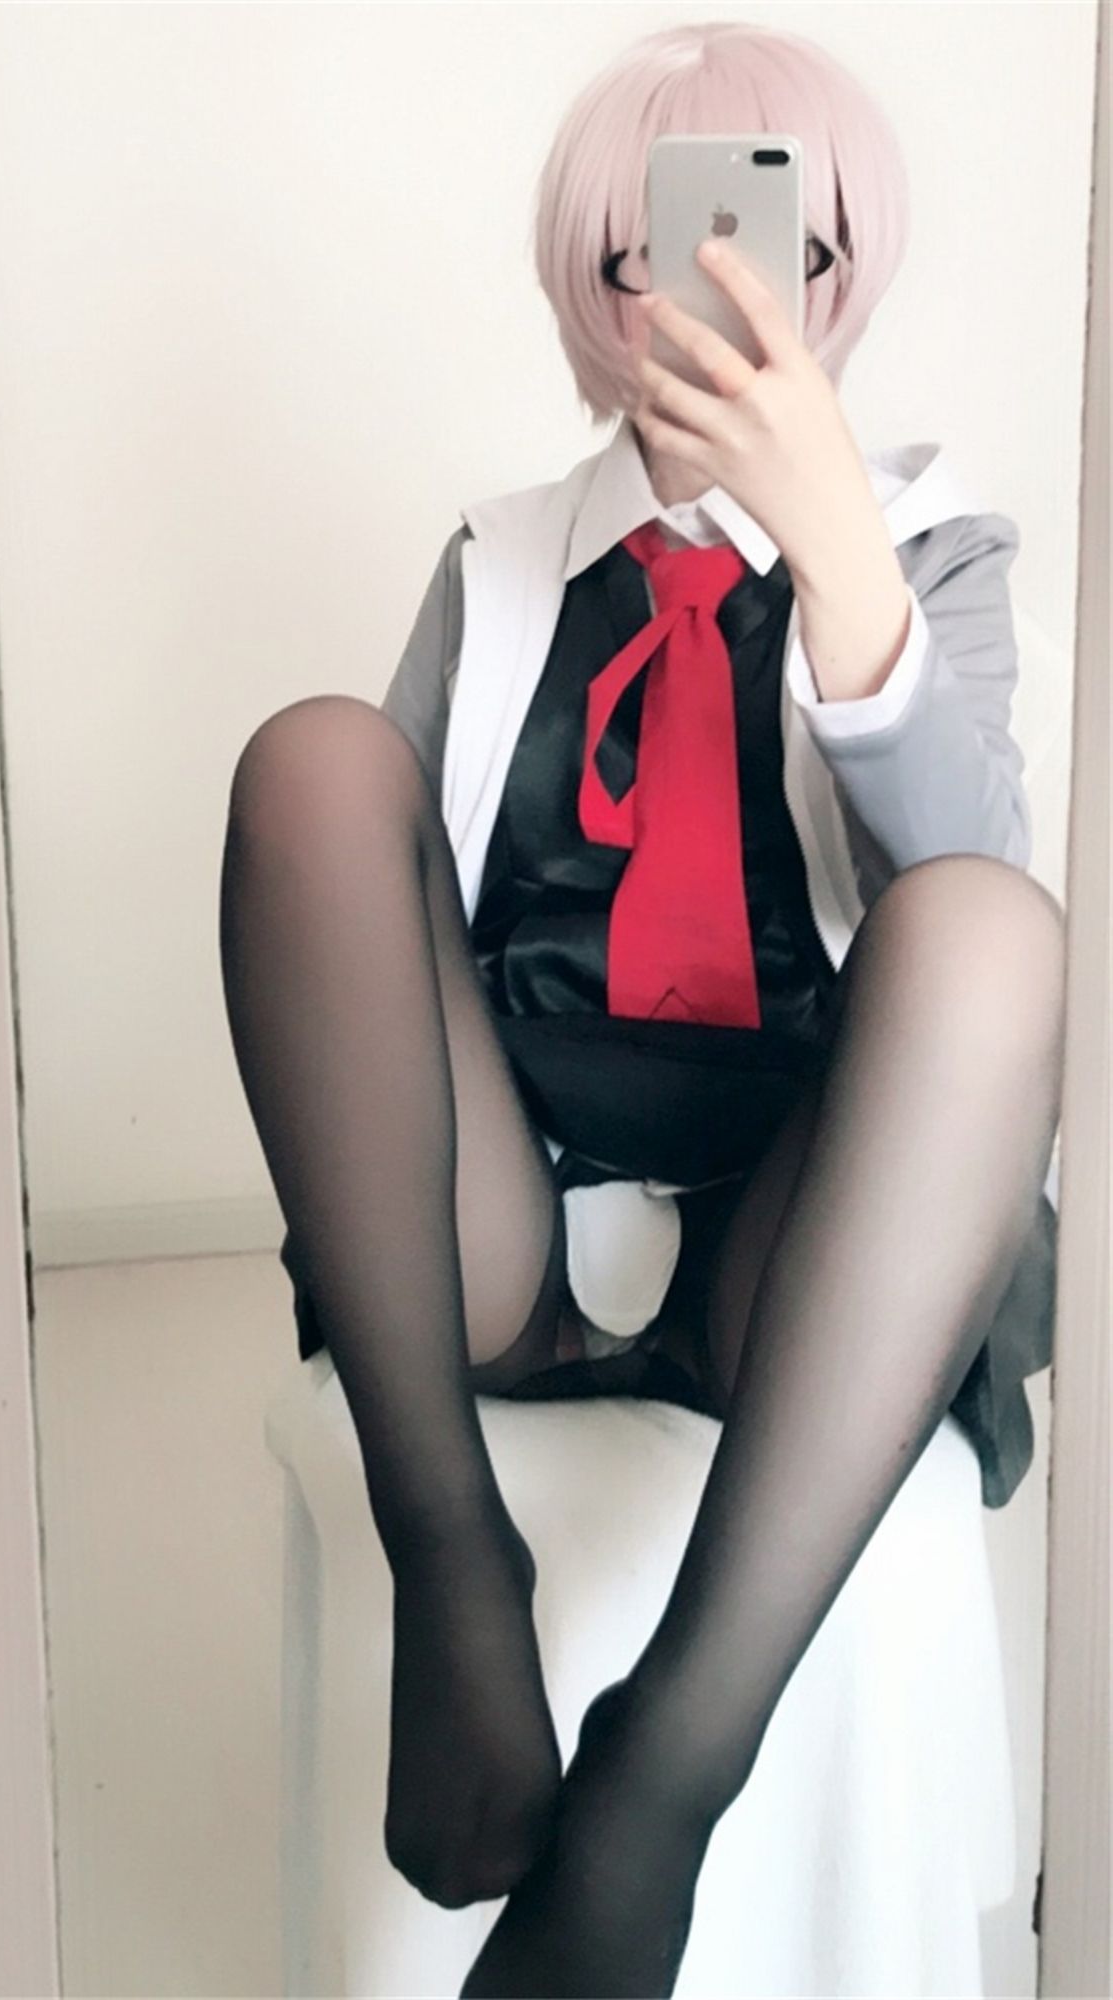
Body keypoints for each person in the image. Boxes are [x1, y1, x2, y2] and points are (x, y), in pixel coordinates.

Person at [218, 19, 1065, 1997]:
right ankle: (453, 1567)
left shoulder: (928, 554)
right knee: (317, 763)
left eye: (774, 246)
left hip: (805, 1250)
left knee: (988, 933)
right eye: (651, 250)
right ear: (583, 284)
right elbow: (364, 934)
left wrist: (831, 546)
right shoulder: (505, 560)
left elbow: (973, 933)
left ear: (843, 279)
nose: (704, 294)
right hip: (502, 1206)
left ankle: (659, 1782)